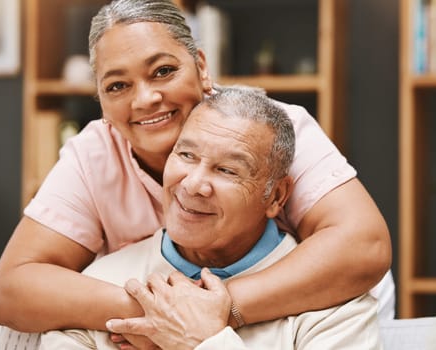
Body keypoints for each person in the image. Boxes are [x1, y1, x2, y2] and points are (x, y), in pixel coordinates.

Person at [0, 0, 393, 335]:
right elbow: (13, 289)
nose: (145, 98)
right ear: (100, 99)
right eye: (117, 85)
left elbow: (363, 247)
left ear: (201, 66)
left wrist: (216, 311)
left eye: (163, 71)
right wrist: (158, 314)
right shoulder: (93, 154)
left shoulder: (270, 127)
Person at [40, 86, 382, 350]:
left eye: (228, 170)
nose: (193, 184)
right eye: (186, 155)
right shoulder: (100, 287)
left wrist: (204, 341)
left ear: (276, 196)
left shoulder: (333, 304)